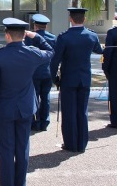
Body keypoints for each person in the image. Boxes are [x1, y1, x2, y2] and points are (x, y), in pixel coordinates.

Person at [0, 18, 54, 186]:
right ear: (24, 35)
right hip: (25, 108)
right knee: (22, 149)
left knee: (6, 150)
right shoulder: (31, 53)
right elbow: (50, 51)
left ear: (7, 35)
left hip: (4, 109)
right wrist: (37, 37)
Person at [50, 8, 103, 152]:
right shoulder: (91, 36)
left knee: (69, 112)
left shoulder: (64, 37)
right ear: (84, 19)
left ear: (70, 19)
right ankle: (81, 144)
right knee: (82, 112)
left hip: (68, 79)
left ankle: (71, 144)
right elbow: (99, 50)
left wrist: (54, 78)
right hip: (84, 79)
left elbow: (55, 61)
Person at [24, 14, 56, 131]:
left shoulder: (29, 37)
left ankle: (34, 122)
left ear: (35, 26)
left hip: (33, 72)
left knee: (34, 97)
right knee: (45, 97)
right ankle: (44, 122)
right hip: (47, 72)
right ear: (45, 27)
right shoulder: (52, 37)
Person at [102, 24, 117, 129]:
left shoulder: (112, 33)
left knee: (114, 95)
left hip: (115, 69)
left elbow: (108, 53)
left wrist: (105, 68)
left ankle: (115, 121)